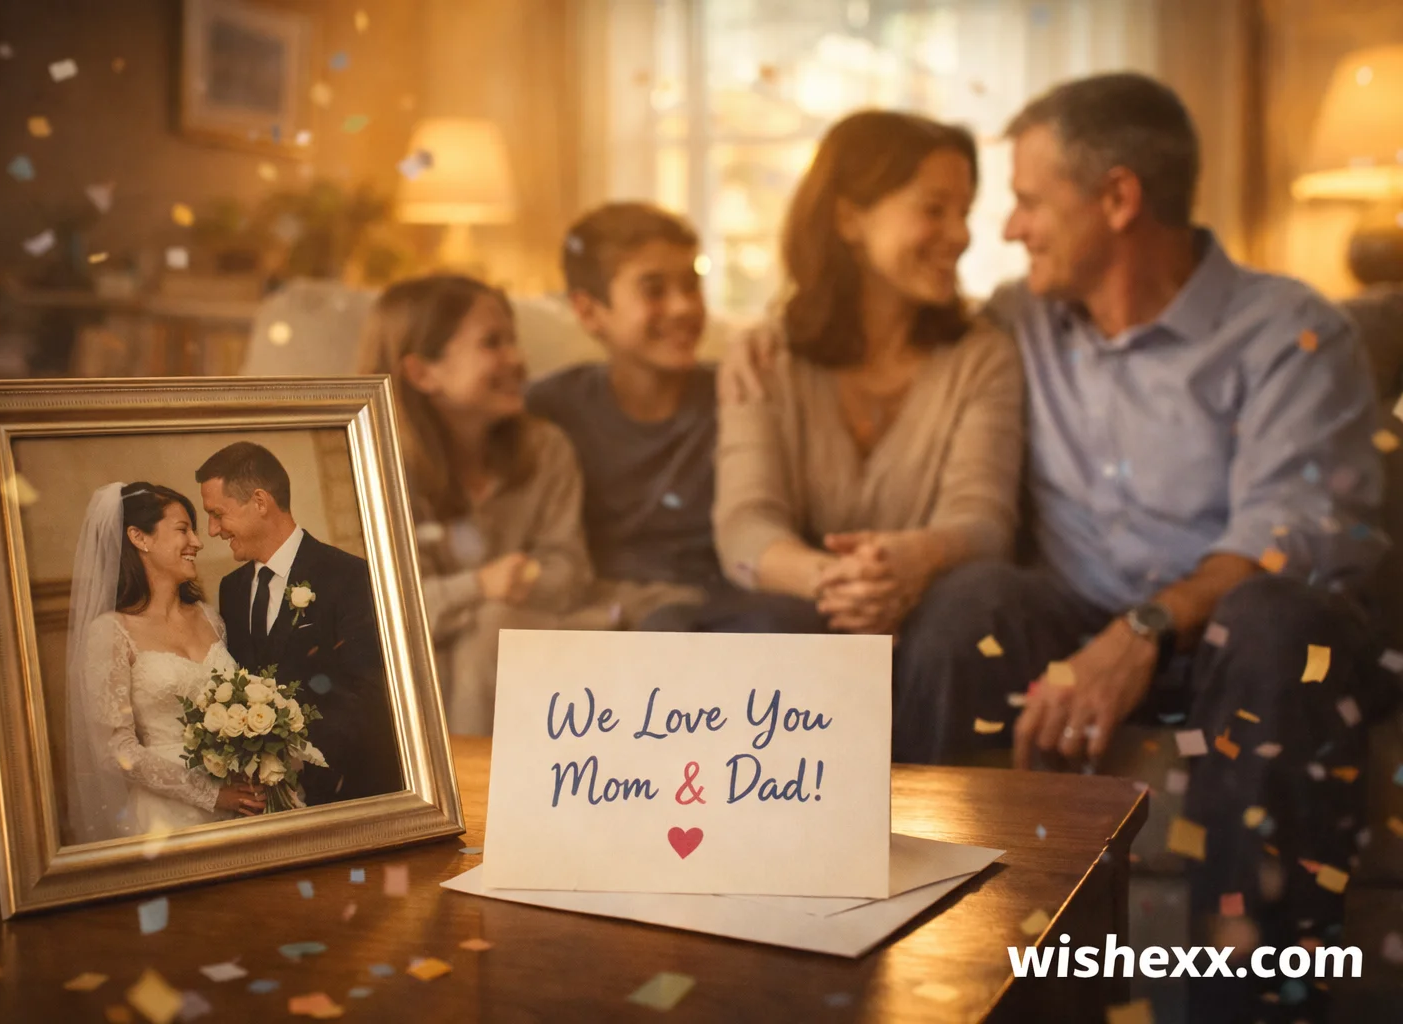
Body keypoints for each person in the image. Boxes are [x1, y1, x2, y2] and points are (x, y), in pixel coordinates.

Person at [729, 74, 1392, 1022]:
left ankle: (1249, 1006)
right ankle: (955, 984)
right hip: (1075, 618)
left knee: (1277, 625)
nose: (1006, 230)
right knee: (973, 604)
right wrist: (768, 336)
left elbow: (1291, 540)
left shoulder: (1289, 331)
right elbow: (885, 327)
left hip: (1247, 640)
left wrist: (1140, 633)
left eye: (1029, 202)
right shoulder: (1019, 322)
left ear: (1118, 199)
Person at [714, 110, 1024, 635]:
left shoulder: (982, 357)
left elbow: (983, 522)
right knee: (765, 625)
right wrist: (835, 582)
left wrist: (917, 559)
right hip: (808, 611)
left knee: (977, 604)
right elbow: (745, 527)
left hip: (940, 624)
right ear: (848, 220)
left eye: (964, 212)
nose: (960, 235)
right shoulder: (766, 358)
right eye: (934, 209)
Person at [527, 202, 824, 632]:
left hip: (731, 612)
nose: (684, 307)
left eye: (692, 285)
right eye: (654, 290)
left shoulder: (739, 395)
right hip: (609, 622)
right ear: (589, 311)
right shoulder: (550, 407)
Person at [363, 274, 601, 735]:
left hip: (530, 641)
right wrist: (480, 587)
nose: (519, 360)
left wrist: (506, 591)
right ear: (422, 372)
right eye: (493, 343)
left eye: (513, 340)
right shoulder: (378, 465)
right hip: (422, 671)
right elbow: (380, 612)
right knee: (486, 630)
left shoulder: (548, 449)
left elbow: (570, 568)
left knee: (498, 626)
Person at [197, 442, 402, 805]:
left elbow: (372, 693)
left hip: (346, 791)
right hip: (265, 799)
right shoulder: (232, 588)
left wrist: (295, 755)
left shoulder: (350, 576)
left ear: (260, 501)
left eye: (218, 514)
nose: (213, 530)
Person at [65, 482, 264, 844]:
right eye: (182, 529)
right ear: (140, 538)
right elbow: (116, 751)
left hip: (242, 802)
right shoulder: (110, 632)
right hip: (168, 818)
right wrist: (211, 794)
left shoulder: (208, 617)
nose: (197, 543)